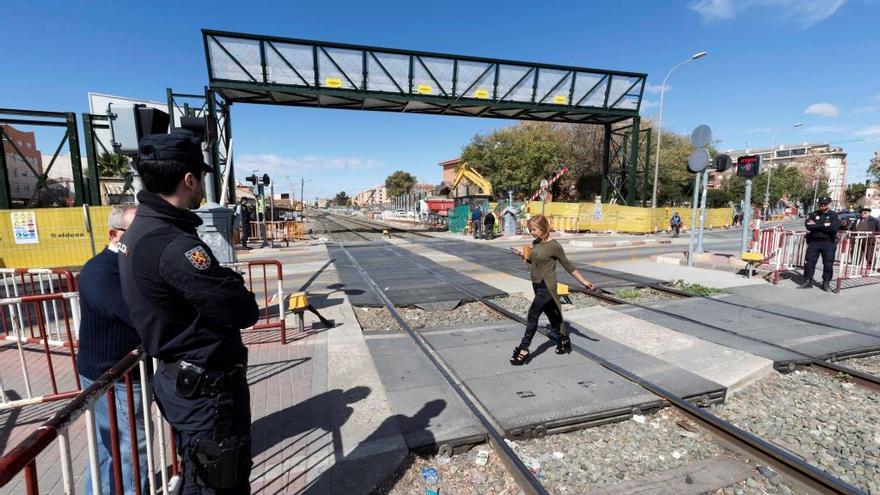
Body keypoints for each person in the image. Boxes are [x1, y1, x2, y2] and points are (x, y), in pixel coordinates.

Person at [119, 129, 259, 494]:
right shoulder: (172, 243)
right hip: (205, 391)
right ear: (189, 179)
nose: (202, 188)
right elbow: (242, 310)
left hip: (185, 382)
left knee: (202, 474)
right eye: (202, 179)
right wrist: (230, 283)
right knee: (217, 481)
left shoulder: (142, 230)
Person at [76, 205, 148, 495]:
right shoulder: (101, 271)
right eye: (138, 234)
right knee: (130, 447)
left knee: (112, 447)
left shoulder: (128, 266)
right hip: (114, 377)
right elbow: (137, 315)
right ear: (114, 235)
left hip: (122, 373)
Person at [509, 214, 597, 364]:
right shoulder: (536, 243)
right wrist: (523, 255)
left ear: (544, 228)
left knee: (532, 314)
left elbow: (568, 266)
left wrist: (584, 281)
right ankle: (563, 340)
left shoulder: (554, 246)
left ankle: (524, 348)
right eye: (530, 229)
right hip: (537, 285)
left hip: (547, 286)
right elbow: (535, 263)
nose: (532, 232)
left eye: (534, 229)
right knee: (552, 315)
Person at [799, 196, 841, 291]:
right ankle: (808, 281)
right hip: (814, 242)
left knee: (828, 263)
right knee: (809, 262)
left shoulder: (834, 215)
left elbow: (833, 228)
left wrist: (817, 226)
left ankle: (826, 283)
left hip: (828, 242)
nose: (822, 205)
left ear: (829, 204)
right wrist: (825, 225)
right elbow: (809, 226)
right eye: (821, 204)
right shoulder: (813, 214)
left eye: (825, 204)